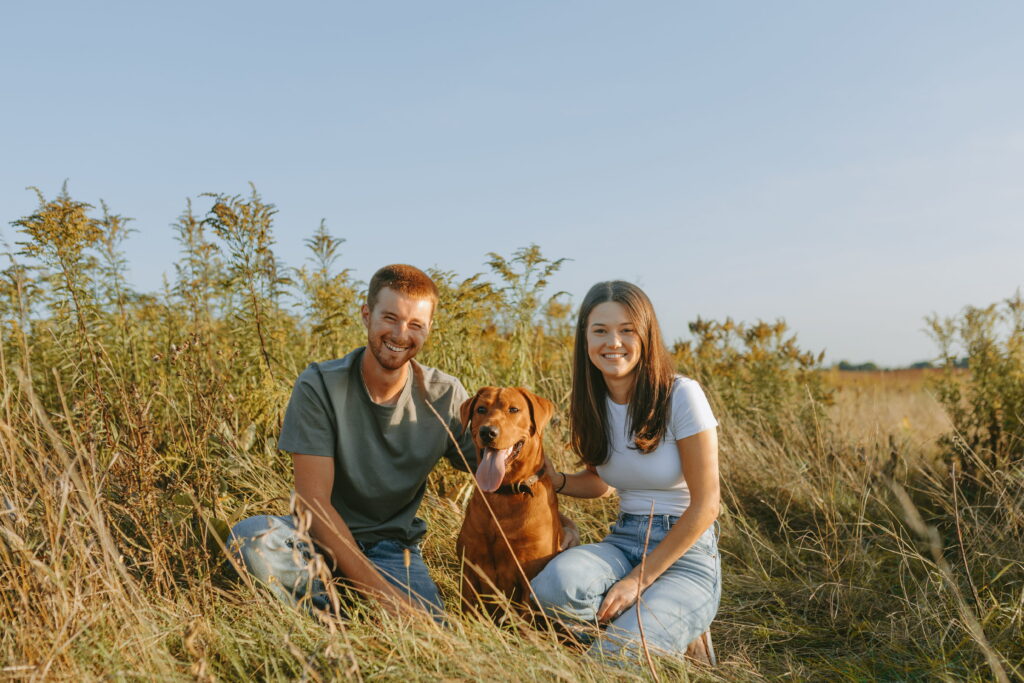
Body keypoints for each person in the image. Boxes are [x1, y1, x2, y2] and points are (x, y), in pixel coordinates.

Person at [228, 264, 478, 620]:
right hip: (314, 540)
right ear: (366, 315)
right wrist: (382, 595)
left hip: (394, 550)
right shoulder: (319, 385)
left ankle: (332, 614)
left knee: (430, 636)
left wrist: (555, 513)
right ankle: (336, 627)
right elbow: (311, 504)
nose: (400, 334)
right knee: (251, 538)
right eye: (389, 318)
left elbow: (496, 466)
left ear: (429, 329)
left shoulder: (445, 395)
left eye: (415, 325)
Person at [531, 280, 722, 662]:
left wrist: (637, 581)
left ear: (646, 335)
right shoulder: (592, 402)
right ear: (585, 338)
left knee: (619, 655)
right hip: (623, 540)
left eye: (626, 330)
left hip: (686, 552)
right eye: (600, 330)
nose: (612, 342)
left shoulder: (680, 395)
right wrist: (559, 482)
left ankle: (659, 627)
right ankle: (643, 628)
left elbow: (707, 506)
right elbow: (603, 483)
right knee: (550, 588)